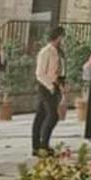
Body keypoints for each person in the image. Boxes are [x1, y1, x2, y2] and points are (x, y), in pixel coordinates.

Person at [32, 27, 66, 155]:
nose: (63, 40)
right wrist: (50, 86)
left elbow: (60, 69)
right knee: (52, 116)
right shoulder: (45, 52)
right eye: (62, 37)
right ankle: (43, 145)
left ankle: (37, 146)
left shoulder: (59, 52)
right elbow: (40, 73)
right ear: (58, 37)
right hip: (46, 86)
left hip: (55, 85)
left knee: (41, 115)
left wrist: (62, 84)